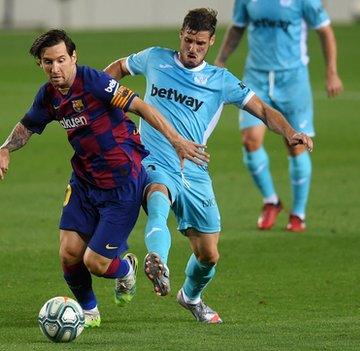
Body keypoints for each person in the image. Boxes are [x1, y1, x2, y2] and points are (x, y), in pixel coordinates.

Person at [0, 29, 207, 328]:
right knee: (68, 253)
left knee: (96, 263)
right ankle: (89, 310)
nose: (55, 68)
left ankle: (125, 269)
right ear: (40, 64)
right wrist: (4, 149)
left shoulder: (94, 82)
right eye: (47, 62)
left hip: (122, 184)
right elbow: (27, 125)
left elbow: (141, 106)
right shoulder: (49, 96)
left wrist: (176, 141)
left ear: (73, 57)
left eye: (61, 60)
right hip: (84, 183)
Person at [105, 8, 313, 324]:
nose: (192, 49)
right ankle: (157, 260)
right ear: (181, 34)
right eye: (188, 40)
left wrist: (291, 131)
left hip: (195, 169)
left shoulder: (220, 81)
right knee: (157, 195)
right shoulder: (154, 58)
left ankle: (191, 297)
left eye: (200, 43)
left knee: (208, 255)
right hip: (154, 158)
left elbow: (263, 110)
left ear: (211, 41)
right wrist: (102, 101)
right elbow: (117, 69)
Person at [214, 0, 343, 232]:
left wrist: (331, 72)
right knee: (250, 141)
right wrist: (221, 59)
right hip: (256, 76)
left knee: (295, 144)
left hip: (293, 79)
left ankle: (298, 214)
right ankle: (271, 201)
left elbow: (325, 31)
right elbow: (237, 27)